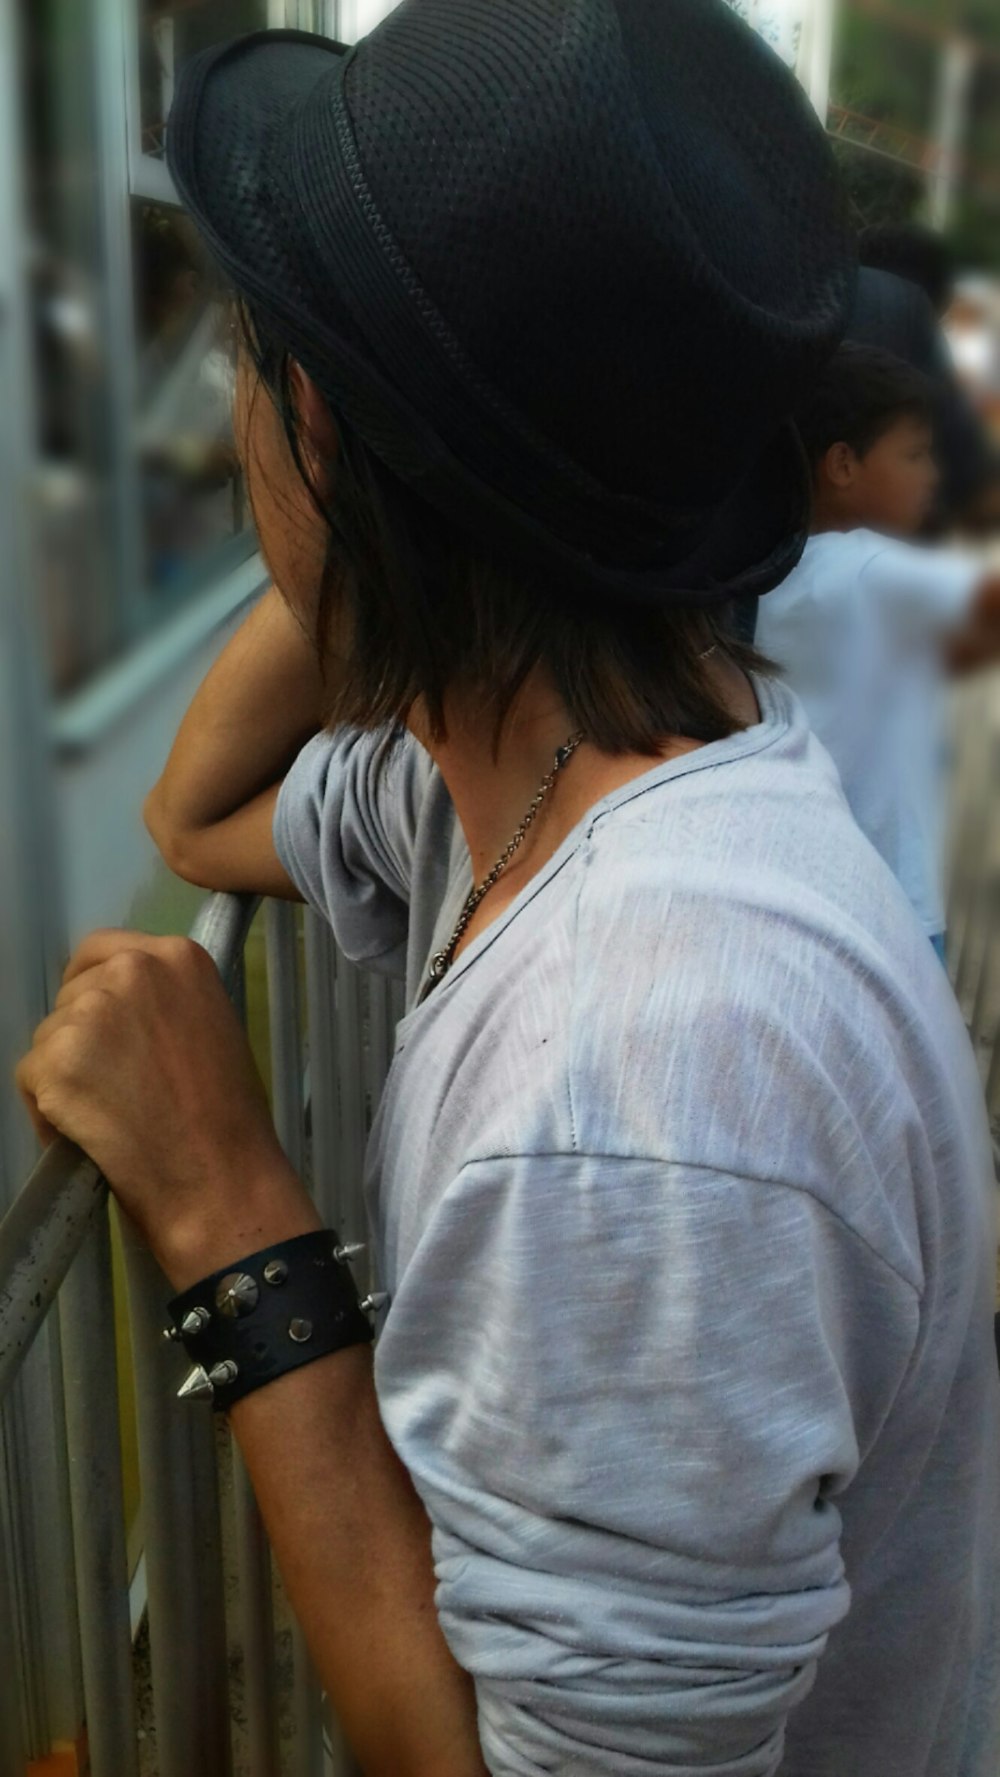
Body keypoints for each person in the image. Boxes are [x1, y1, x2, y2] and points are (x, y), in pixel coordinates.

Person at [16, 6, 1000, 1775]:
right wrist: (395, 506)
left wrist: (234, 1214)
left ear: (313, 416)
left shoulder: (652, 1072)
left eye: (261, 366)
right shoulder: (565, 773)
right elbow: (198, 811)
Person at [756, 341, 1000, 961]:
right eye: (915, 455)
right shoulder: (867, 565)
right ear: (842, 466)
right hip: (894, 891)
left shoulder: (767, 575)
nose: (934, 476)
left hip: (808, 877)